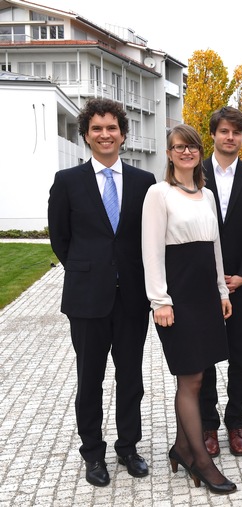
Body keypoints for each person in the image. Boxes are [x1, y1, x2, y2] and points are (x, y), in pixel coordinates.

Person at [48, 98, 155, 487]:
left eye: (112, 128)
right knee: (89, 379)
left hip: (131, 298)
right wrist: (88, 269)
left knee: (131, 378)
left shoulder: (145, 183)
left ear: (123, 134)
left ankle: (128, 447)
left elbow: (149, 237)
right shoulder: (67, 182)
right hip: (87, 298)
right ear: (87, 135)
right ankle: (93, 453)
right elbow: (60, 238)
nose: (105, 134)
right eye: (97, 128)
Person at [142, 124, 236, 495]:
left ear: (199, 151)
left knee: (201, 375)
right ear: (168, 154)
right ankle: (200, 459)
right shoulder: (158, 194)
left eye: (191, 146)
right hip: (177, 298)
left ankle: (182, 448)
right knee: (190, 377)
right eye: (178, 147)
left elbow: (215, 250)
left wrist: (221, 292)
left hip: (205, 297)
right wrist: (160, 300)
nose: (186, 152)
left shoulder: (207, 195)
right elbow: (151, 251)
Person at [198, 107, 242, 458]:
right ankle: (208, 426)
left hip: (241, 282)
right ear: (214, 135)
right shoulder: (193, 172)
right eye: (223, 131)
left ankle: (236, 423)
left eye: (236, 132)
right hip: (202, 283)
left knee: (241, 355)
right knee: (206, 356)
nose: (229, 137)